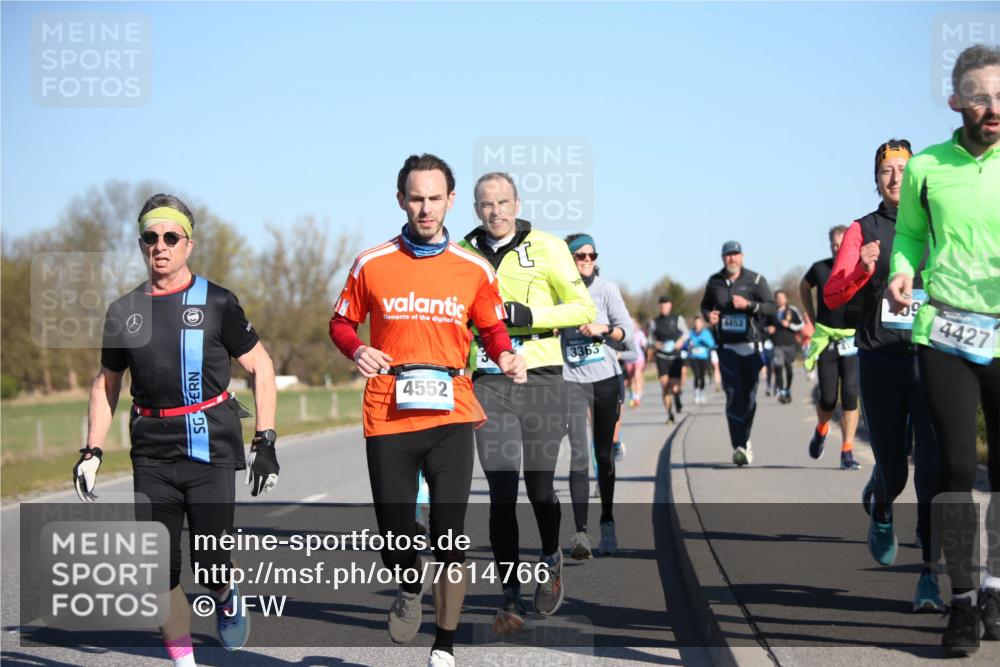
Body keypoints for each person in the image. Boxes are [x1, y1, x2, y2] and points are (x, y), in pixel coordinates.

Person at [328, 154, 527, 667]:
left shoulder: (474, 268)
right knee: (395, 535)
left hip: (452, 415)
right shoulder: (372, 262)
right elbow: (342, 323)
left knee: (450, 534)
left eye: (435, 198)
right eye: (416, 198)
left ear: (451, 201)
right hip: (389, 415)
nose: (425, 208)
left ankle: (444, 644)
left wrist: (505, 353)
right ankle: (408, 579)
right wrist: (357, 349)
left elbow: (492, 327)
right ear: (401, 200)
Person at [73, 194, 279, 665]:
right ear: (141, 244)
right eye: (150, 238)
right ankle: (183, 659)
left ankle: (224, 595)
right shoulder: (123, 311)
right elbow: (106, 384)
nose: (159, 247)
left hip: (210, 450)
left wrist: (265, 439)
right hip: (152, 455)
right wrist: (92, 451)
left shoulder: (218, 301)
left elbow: (261, 368)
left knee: (209, 566)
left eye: (170, 237)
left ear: (189, 243)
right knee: (157, 569)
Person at [886, 44, 1000, 655]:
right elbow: (908, 236)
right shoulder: (927, 166)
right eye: (980, 96)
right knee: (955, 464)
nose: (993, 107)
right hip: (946, 329)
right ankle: (960, 602)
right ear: (956, 100)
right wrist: (902, 271)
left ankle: (995, 588)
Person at [460, 172, 595, 634]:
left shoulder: (550, 247)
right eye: (485, 204)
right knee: (500, 491)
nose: (494, 211)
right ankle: (510, 590)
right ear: (475, 208)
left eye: (502, 202)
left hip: (540, 375)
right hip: (488, 381)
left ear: (516, 203)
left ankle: (551, 555)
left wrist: (530, 315)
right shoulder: (461, 251)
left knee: (538, 488)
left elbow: (583, 310)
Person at [824, 138, 943, 615]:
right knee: (895, 468)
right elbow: (833, 297)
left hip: (934, 357)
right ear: (876, 178)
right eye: (886, 170)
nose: (895, 177)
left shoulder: (937, 223)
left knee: (933, 469)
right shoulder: (862, 229)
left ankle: (931, 577)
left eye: (902, 169)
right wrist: (862, 268)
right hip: (881, 360)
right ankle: (882, 500)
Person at [560, 233, 633, 560]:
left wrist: (603, 329)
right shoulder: (556, 290)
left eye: (591, 255)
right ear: (569, 260)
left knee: (603, 456)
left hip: (605, 379)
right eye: (580, 256)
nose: (587, 261)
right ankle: (580, 533)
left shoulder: (607, 290)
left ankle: (607, 520)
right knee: (578, 453)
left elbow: (626, 335)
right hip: (571, 380)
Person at [700, 240, 776, 466]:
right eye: (727, 255)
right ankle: (739, 446)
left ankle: (745, 438)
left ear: (742, 256)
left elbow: (771, 307)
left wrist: (749, 306)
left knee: (750, 399)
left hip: (751, 347)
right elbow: (705, 306)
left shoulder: (755, 280)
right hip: (726, 348)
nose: (731, 258)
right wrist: (708, 316)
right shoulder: (714, 282)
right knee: (734, 395)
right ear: (723, 258)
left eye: (735, 254)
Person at [801, 225, 862, 470]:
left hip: (852, 341)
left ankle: (847, 451)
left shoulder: (860, 269)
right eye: (834, 245)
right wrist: (811, 315)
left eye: (842, 244)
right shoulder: (820, 268)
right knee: (827, 399)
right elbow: (804, 287)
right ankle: (821, 429)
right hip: (827, 338)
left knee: (849, 395)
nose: (838, 249)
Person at [648, 296, 688, 424]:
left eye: (666, 305)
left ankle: (677, 397)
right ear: (659, 306)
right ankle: (670, 415)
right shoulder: (654, 322)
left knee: (675, 387)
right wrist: (656, 344)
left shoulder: (678, 319)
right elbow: (649, 339)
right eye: (661, 305)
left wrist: (681, 341)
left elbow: (686, 333)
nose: (663, 307)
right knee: (665, 386)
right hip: (662, 357)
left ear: (670, 305)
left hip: (675, 356)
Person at [767, 290, 803, 404]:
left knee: (788, 368)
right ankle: (781, 390)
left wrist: (790, 325)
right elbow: (763, 324)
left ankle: (787, 389)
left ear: (786, 298)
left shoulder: (792, 310)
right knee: (778, 367)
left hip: (790, 343)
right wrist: (768, 329)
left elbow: (801, 325)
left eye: (781, 297)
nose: (779, 299)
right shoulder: (771, 311)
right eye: (777, 297)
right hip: (776, 343)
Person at [684, 315, 716, 404]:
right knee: (696, 375)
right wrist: (689, 345)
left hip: (703, 357)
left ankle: (701, 392)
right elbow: (685, 344)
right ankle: (696, 393)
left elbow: (712, 344)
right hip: (693, 357)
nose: (697, 324)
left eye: (699, 322)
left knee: (702, 376)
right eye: (696, 323)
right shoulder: (691, 333)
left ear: (701, 323)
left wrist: (703, 342)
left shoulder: (706, 333)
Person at [623, 317, 648, 408]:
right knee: (631, 379)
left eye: (633, 323)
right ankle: (633, 396)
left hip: (639, 358)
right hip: (628, 358)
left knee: (637, 376)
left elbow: (645, 344)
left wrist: (644, 344)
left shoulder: (640, 333)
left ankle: (637, 397)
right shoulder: (625, 333)